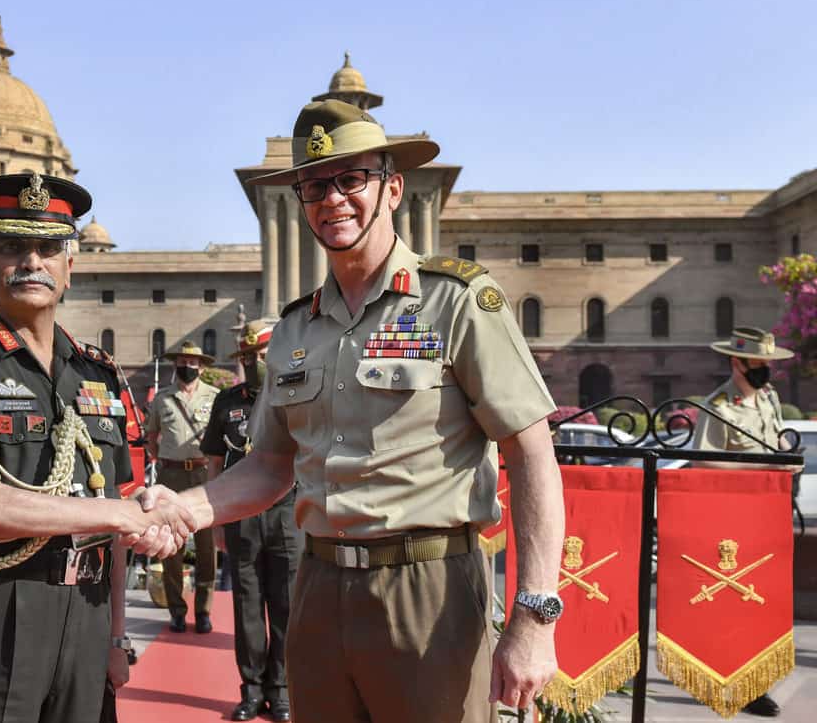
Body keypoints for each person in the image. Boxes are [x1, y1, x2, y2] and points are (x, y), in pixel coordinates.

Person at [135, 99, 566, 722]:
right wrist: (186, 508)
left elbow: (532, 456)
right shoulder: (292, 331)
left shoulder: (458, 301)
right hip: (319, 585)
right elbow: (269, 466)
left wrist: (535, 615)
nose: (333, 199)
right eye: (314, 186)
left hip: (429, 589)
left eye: (351, 180)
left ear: (392, 189)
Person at [0, 172, 196, 723]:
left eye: (47, 248)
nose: (31, 261)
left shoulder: (100, 373)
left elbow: (114, 520)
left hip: (86, 616)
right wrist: (116, 513)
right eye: (11, 247)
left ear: (69, 267)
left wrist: (115, 636)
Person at [691, 326, 798, 718]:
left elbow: (777, 443)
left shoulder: (768, 398)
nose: (766, 370)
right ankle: (735, 683)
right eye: (758, 363)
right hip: (733, 517)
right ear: (737, 362)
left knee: (764, 604)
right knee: (734, 604)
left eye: (769, 363)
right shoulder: (719, 406)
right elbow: (703, 460)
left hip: (770, 512)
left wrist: (787, 455)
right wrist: (763, 466)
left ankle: (756, 681)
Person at [200, 319, 301, 722]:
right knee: (246, 606)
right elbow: (213, 462)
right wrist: (215, 519)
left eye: (261, 356)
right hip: (241, 516)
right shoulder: (227, 401)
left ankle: (281, 691)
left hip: (286, 513)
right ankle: (251, 689)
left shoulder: (294, 396)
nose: (255, 363)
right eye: (248, 357)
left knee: (285, 606)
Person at [144, 340, 220, 633]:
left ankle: (203, 610)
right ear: (175, 365)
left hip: (203, 475)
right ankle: (176, 609)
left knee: (206, 546)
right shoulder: (163, 398)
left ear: (201, 367)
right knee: (172, 544)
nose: (187, 367)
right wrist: (161, 459)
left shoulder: (214, 397)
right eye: (182, 362)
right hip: (171, 476)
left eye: (192, 363)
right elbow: (152, 435)